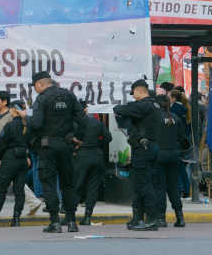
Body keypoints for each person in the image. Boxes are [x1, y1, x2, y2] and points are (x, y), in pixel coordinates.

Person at [29, 71, 86, 233]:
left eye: (35, 87)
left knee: (49, 183)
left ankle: (54, 222)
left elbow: (37, 124)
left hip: (48, 147)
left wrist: (28, 121)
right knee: (68, 184)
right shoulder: (69, 95)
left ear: (40, 84)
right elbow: (82, 120)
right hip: (66, 146)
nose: (35, 90)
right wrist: (77, 138)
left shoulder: (42, 99)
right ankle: (71, 222)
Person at [0, 92, 43, 220]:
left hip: (7, 157)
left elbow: (9, 140)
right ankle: (30, 205)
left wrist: (0, 158)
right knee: (17, 185)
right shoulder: (0, 117)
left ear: (5, 102)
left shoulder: (10, 118)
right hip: (6, 155)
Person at [113, 79, 160, 232]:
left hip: (143, 148)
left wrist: (124, 114)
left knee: (144, 184)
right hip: (148, 147)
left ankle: (152, 219)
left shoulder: (144, 105)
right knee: (140, 184)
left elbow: (120, 109)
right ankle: (137, 218)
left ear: (140, 91)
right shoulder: (155, 105)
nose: (133, 97)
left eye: (134, 94)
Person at [154, 94, 190, 228]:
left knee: (160, 188)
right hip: (174, 155)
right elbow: (184, 139)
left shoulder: (155, 118)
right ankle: (180, 217)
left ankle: (161, 218)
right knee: (173, 187)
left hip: (159, 156)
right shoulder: (175, 118)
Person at [74, 100, 112, 226]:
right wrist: (97, 144)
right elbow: (108, 138)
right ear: (86, 109)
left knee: (77, 185)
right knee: (93, 187)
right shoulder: (97, 122)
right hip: (97, 155)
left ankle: (70, 216)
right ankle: (88, 216)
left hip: (82, 156)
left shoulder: (75, 123)